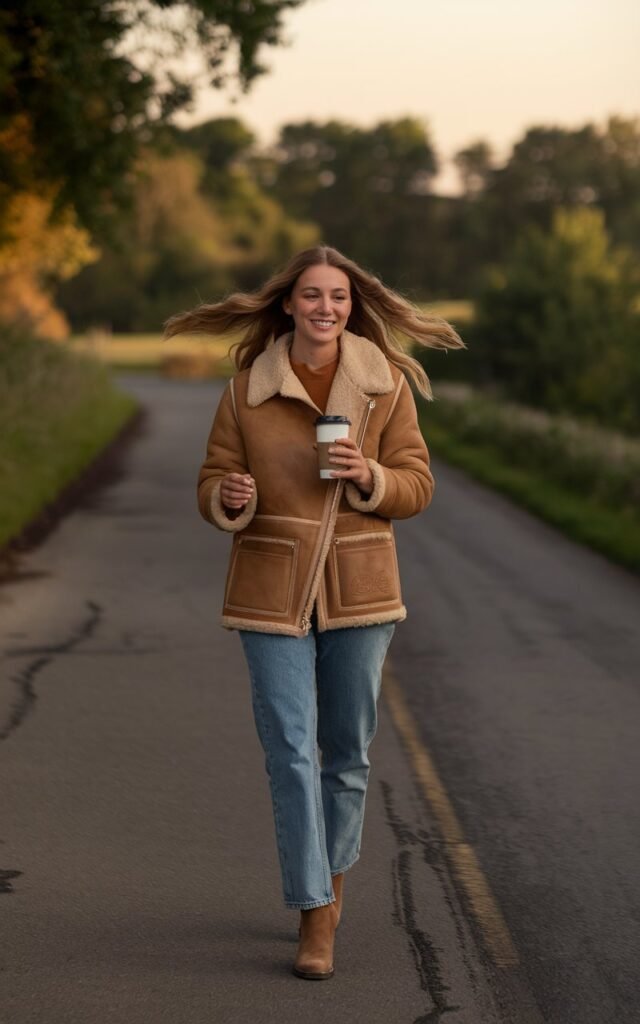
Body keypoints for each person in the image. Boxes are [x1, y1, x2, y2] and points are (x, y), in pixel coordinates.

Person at [165, 245, 463, 980]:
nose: (325, 307)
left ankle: (330, 880)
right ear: (289, 304)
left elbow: (418, 485)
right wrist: (226, 500)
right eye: (311, 295)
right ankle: (314, 912)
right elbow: (212, 480)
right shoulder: (246, 391)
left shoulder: (384, 385)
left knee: (346, 752)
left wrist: (373, 477)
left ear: (350, 306)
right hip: (270, 587)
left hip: (361, 589)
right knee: (290, 750)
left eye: (337, 297)